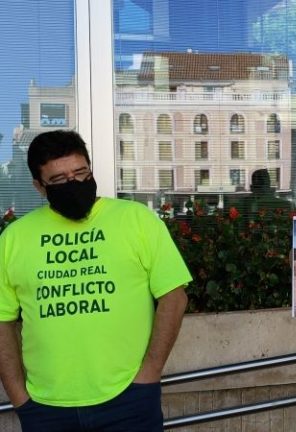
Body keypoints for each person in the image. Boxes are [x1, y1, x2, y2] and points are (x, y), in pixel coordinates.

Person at [0, 130, 191, 432]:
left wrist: (150, 373)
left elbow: (174, 296)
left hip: (129, 399)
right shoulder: (14, 238)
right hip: (45, 408)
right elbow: (2, 319)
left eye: (80, 172)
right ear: (39, 187)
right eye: (59, 180)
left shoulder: (136, 219)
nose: (73, 183)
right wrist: (19, 397)